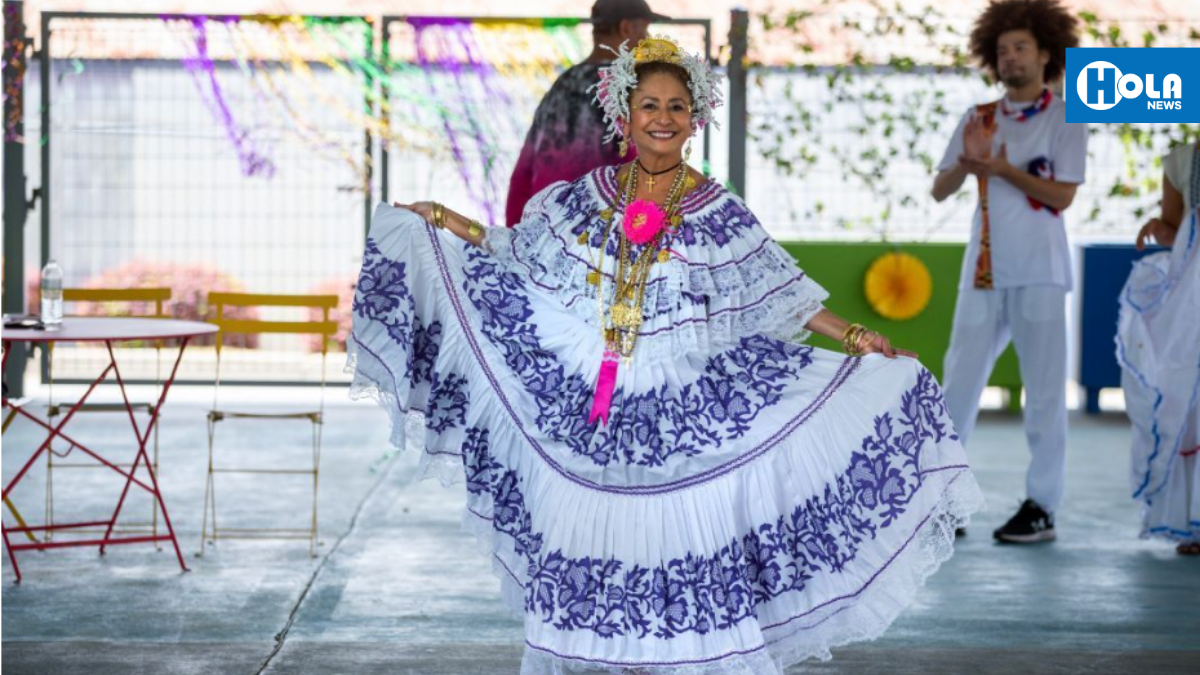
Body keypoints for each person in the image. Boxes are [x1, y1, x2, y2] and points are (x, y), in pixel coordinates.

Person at [352, 36, 982, 674]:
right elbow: (512, 249)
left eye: (677, 106)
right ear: (623, 116)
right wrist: (441, 218)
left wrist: (854, 335)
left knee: (685, 529)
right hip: (589, 399)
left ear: (695, 118)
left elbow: (779, 296)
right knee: (584, 526)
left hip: (683, 401)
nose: (662, 117)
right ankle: (586, 655)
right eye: (648, 104)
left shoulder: (719, 211)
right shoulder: (586, 193)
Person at [930, 0, 1084, 544]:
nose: (1010, 57)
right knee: (957, 389)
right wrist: (968, 166)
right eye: (1002, 50)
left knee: (1044, 396)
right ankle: (945, 503)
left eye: (1021, 47)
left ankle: (1041, 506)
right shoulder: (978, 118)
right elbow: (939, 188)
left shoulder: (1068, 115)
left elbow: (1062, 195)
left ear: (1046, 53)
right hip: (983, 272)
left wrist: (1001, 169)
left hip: (1041, 272)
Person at [504, 0, 666, 226]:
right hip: (602, 242)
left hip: (547, 234)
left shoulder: (562, 85)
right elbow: (647, 174)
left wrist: (515, 237)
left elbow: (522, 174)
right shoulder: (633, 88)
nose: (647, 39)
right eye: (644, 29)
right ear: (626, 28)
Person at [1117, 140, 1200, 555]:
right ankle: (1194, 520)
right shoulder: (1183, 160)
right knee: (1190, 395)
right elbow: (1175, 227)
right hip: (1192, 288)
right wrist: (1158, 227)